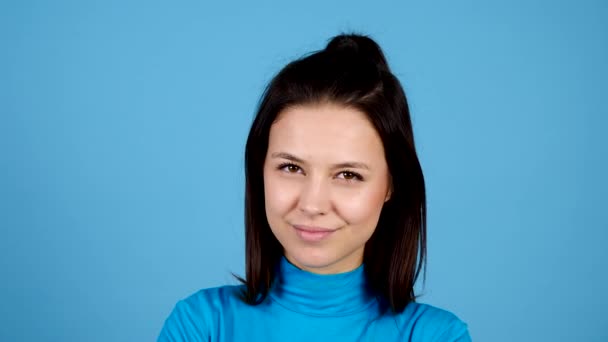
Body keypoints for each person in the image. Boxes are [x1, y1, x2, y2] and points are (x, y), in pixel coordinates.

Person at [158, 33, 471, 342]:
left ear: (392, 185)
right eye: (291, 168)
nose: (312, 203)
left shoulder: (436, 336)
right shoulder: (201, 325)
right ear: (260, 172)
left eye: (348, 175)